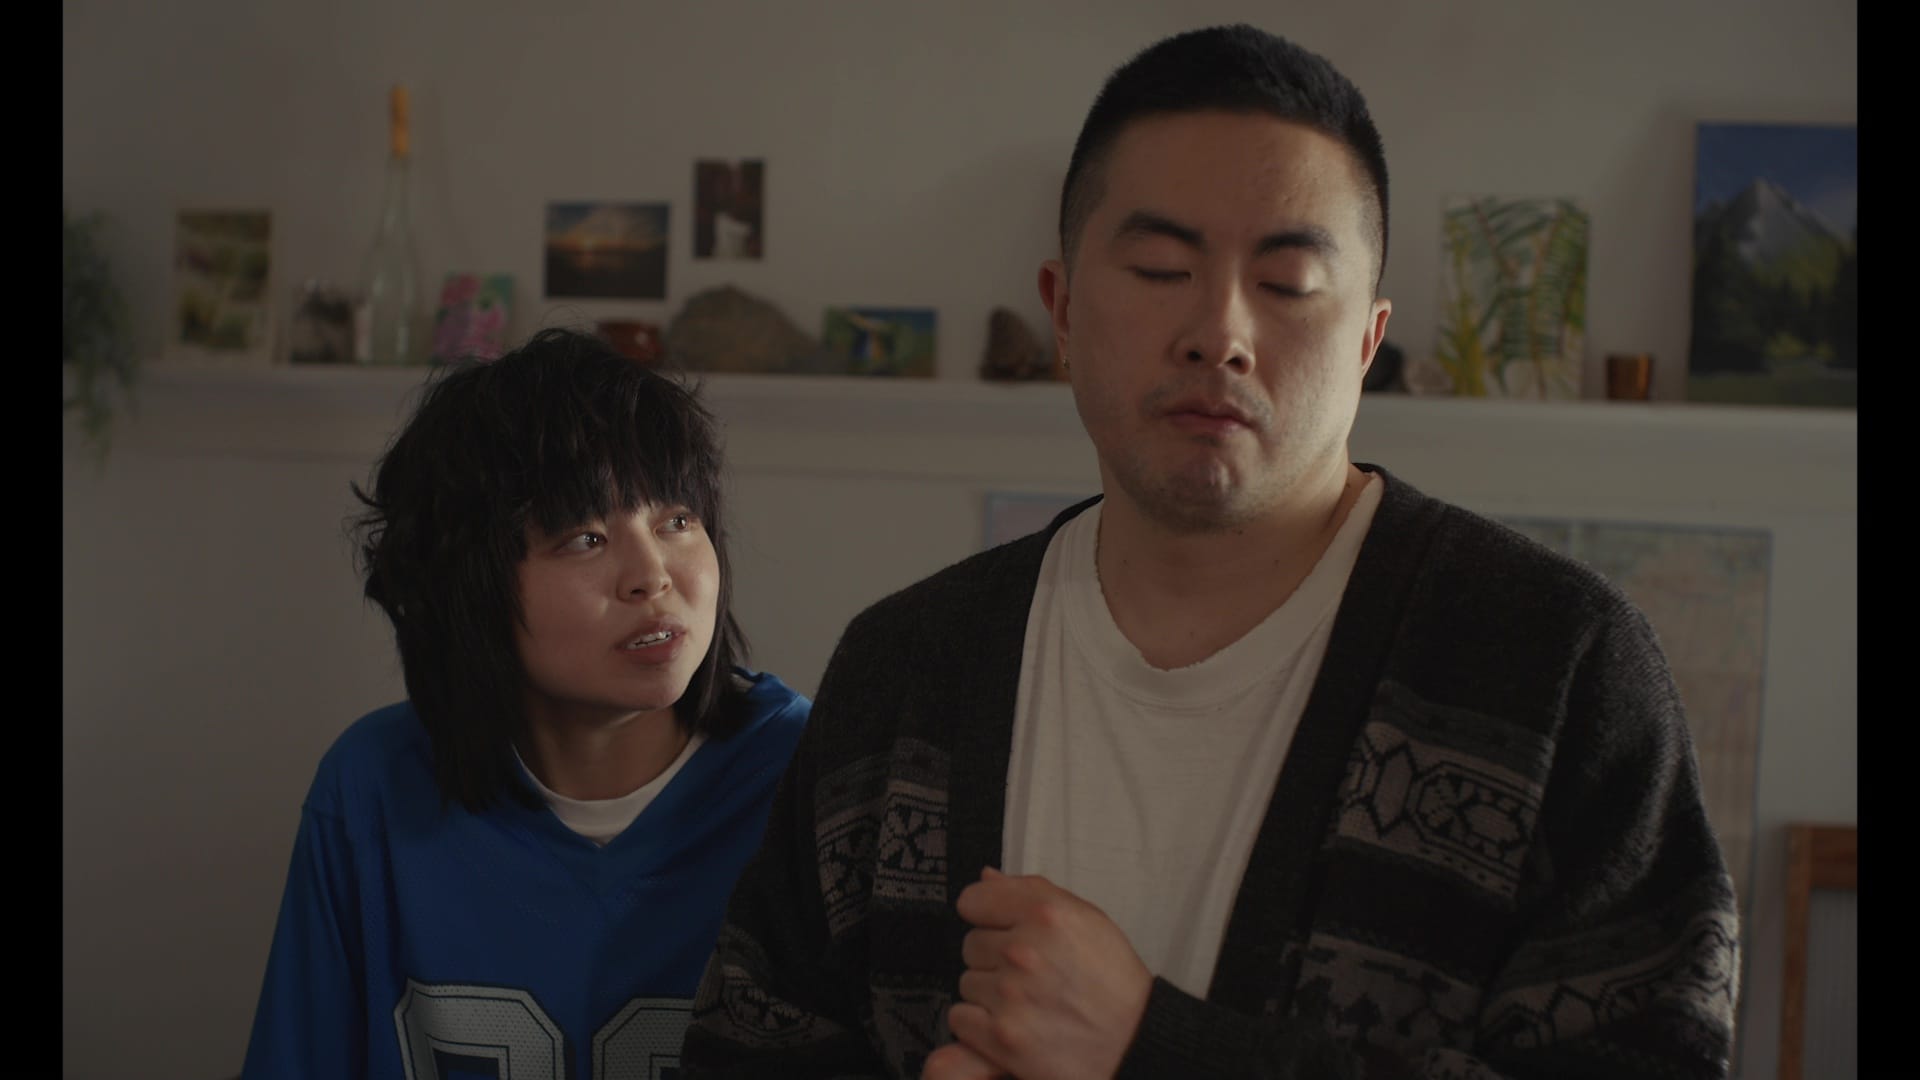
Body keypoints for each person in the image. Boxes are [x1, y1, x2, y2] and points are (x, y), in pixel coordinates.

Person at [681, 23, 1738, 1080]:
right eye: (1161, 268)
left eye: (1286, 283)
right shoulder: (904, 671)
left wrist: (1154, 1047)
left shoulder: (1557, 669)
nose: (1219, 332)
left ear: (1367, 343)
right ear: (1061, 313)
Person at [240, 326, 810, 1079]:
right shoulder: (372, 789)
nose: (651, 575)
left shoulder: (813, 776)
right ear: (467, 588)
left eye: (676, 520)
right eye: (585, 538)